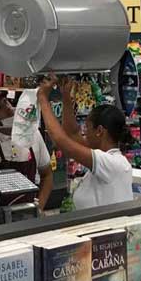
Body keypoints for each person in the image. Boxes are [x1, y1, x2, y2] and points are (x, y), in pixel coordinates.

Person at [37, 77, 133, 209]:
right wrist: (65, 96)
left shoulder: (113, 164)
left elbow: (62, 140)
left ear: (99, 131)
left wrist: (42, 98)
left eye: (87, 128)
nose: (84, 132)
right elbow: (72, 134)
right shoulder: (105, 158)